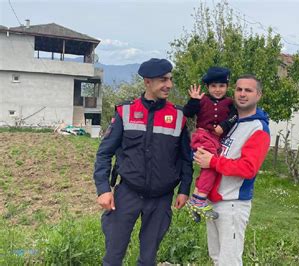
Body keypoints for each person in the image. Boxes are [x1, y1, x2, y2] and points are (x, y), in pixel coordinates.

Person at [93, 58, 193, 266]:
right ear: (147, 82)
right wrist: (103, 188)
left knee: (148, 259)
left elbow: (185, 158)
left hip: (161, 198)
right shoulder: (125, 112)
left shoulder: (178, 116)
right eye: (163, 80)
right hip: (127, 194)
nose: (169, 85)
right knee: (113, 256)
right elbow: (104, 153)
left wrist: (184, 189)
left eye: (170, 79)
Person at [194, 74, 270, 265]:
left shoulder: (258, 128)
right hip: (216, 201)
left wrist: (212, 162)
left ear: (258, 95)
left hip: (233, 204)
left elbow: (248, 168)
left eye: (248, 90)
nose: (242, 94)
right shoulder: (232, 123)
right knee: (217, 258)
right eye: (239, 89)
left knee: (229, 261)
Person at [182, 66, 237, 221]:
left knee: (210, 168)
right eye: (213, 86)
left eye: (221, 86)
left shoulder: (229, 103)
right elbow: (187, 113)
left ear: (227, 87)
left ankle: (195, 200)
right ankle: (199, 200)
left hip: (217, 139)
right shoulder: (202, 100)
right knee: (211, 167)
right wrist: (193, 100)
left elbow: (234, 117)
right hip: (203, 136)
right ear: (207, 87)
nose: (218, 90)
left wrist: (224, 126)